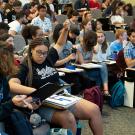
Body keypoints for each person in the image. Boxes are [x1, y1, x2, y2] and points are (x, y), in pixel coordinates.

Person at [9, 21, 103, 135]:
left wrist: (65, 29)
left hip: (59, 97)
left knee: (94, 110)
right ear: (31, 50)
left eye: (44, 53)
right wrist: (36, 92)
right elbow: (12, 84)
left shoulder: (48, 58)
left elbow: (60, 43)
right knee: (69, 118)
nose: (42, 56)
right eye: (39, 52)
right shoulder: (25, 65)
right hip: (41, 103)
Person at [0, 41, 37, 135]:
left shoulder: (2, 77)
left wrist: (21, 103)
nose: (13, 59)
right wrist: (12, 103)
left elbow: (5, 101)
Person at [92, 31, 110, 96]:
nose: (100, 38)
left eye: (102, 36)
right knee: (102, 65)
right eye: (98, 37)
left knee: (102, 68)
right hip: (94, 64)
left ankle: (98, 93)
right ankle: (106, 90)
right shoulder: (93, 45)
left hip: (103, 65)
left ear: (104, 37)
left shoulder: (107, 45)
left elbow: (108, 57)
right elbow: (95, 56)